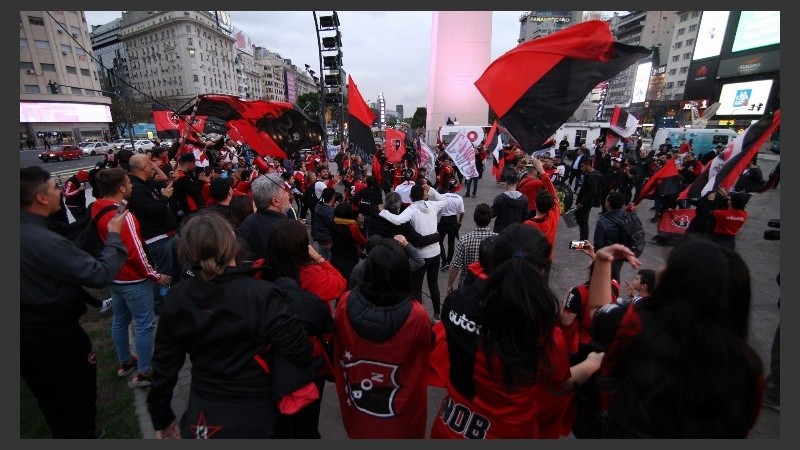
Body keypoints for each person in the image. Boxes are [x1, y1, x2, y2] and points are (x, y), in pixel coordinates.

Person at [146, 213, 315, 438]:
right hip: (259, 414)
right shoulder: (261, 294)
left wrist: (162, 417)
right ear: (233, 246)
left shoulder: (177, 298)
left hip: (204, 416)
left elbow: (164, 365)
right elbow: (301, 352)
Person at [430, 224, 604, 439]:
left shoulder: (458, 303)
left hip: (449, 425)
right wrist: (592, 364)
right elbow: (560, 383)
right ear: (541, 269)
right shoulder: (542, 333)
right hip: (507, 431)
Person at [589, 238, 763, 438]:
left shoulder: (632, 323)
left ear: (676, 280)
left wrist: (602, 260)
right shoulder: (748, 366)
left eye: (668, 263)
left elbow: (597, 314)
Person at [21, 166, 128, 439]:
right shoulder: (44, 241)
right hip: (55, 336)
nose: (61, 192)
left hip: (30, 337)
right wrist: (114, 235)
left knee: (51, 399)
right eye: (55, 187)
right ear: (41, 198)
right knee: (76, 395)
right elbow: (99, 274)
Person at [333, 237, 434, 438]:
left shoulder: (345, 303)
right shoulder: (417, 315)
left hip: (358, 413)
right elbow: (426, 351)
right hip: (401, 419)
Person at [92, 168, 172, 387]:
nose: (132, 186)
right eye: (129, 183)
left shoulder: (98, 207)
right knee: (145, 324)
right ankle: (145, 371)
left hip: (114, 276)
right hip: (133, 280)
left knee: (120, 319)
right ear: (121, 188)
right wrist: (155, 275)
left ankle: (126, 361)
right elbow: (136, 252)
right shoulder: (122, 217)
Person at [378, 183, 448, 321]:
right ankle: (437, 315)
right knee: (433, 284)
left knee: (417, 287)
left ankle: (420, 317)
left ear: (410, 197)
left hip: (420, 255)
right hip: (435, 252)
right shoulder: (433, 206)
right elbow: (444, 201)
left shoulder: (412, 209)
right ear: (425, 195)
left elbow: (397, 220)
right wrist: (432, 190)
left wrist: (382, 211)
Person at [127, 154, 180, 312]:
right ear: (143, 168)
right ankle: (159, 304)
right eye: (150, 165)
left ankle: (176, 297)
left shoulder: (146, 182)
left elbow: (163, 178)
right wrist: (164, 197)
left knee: (178, 268)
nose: (153, 167)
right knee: (163, 274)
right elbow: (153, 211)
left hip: (169, 233)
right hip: (157, 238)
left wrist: (168, 179)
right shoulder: (136, 189)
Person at [522, 158, 561, 282]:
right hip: (548, 258)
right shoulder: (555, 213)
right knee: (543, 283)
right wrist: (541, 170)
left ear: (536, 204)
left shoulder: (528, 224)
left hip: (532, 260)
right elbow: (552, 191)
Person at [238, 173, 291, 263]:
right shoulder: (285, 228)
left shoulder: (248, 221)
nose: (288, 195)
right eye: (284, 192)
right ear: (275, 201)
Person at [446, 203, 496, 294]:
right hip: (490, 285)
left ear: (474, 219)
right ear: (490, 219)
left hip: (467, 285)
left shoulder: (465, 240)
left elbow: (456, 266)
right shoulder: (498, 239)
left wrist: (450, 285)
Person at [593, 191, 636, 282]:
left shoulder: (603, 222)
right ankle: (615, 293)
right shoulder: (627, 215)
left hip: (607, 255)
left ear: (608, 204)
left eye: (606, 200)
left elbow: (597, 245)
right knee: (615, 276)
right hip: (621, 253)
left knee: (603, 279)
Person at [329, 201, 367, 281]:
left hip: (335, 256)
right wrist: (361, 225)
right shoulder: (352, 227)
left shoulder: (333, 222)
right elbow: (362, 241)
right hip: (350, 258)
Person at [491, 168, 529, 233]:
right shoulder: (524, 199)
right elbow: (526, 216)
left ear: (506, 183)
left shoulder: (500, 198)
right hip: (516, 231)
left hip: (501, 230)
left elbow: (492, 214)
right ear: (517, 183)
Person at [574, 158, 603, 241]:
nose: (581, 168)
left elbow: (592, 192)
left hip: (585, 204)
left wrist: (582, 202)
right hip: (586, 202)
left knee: (583, 223)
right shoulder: (593, 175)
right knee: (582, 222)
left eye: (582, 166)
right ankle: (582, 241)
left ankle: (583, 243)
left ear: (588, 166)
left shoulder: (592, 177)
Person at [438, 190, 465, 271]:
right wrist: (459, 222)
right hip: (453, 220)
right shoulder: (459, 198)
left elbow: (438, 209)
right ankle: (448, 262)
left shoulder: (442, 196)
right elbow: (462, 212)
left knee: (439, 242)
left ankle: (444, 261)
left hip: (443, 220)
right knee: (451, 243)